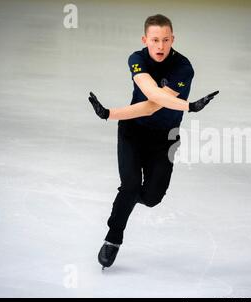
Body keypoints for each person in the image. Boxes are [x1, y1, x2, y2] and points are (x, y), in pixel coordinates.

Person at [88, 14, 219, 269]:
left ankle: (134, 196)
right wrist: (190, 106)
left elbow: (155, 105)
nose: (160, 46)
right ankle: (113, 237)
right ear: (145, 39)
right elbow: (149, 98)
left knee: (151, 198)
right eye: (155, 40)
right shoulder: (136, 59)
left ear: (173, 39)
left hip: (165, 138)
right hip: (132, 132)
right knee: (129, 187)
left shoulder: (183, 67)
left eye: (166, 40)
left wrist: (109, 113)